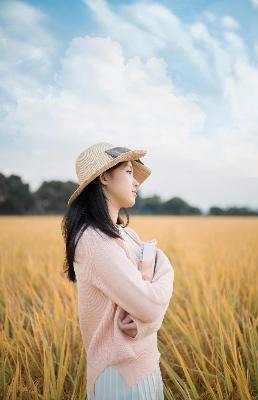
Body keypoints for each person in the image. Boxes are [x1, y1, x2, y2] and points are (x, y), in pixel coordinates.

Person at [61, 142, 174, 399]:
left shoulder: (127, 234)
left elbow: (148, 305)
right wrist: (165, 268)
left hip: (146, 364)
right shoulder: (92, 240)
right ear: (104, 177)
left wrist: (144, 323)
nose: (136, 183)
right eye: (129, 172)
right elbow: (150, 307)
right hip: (118, 380)